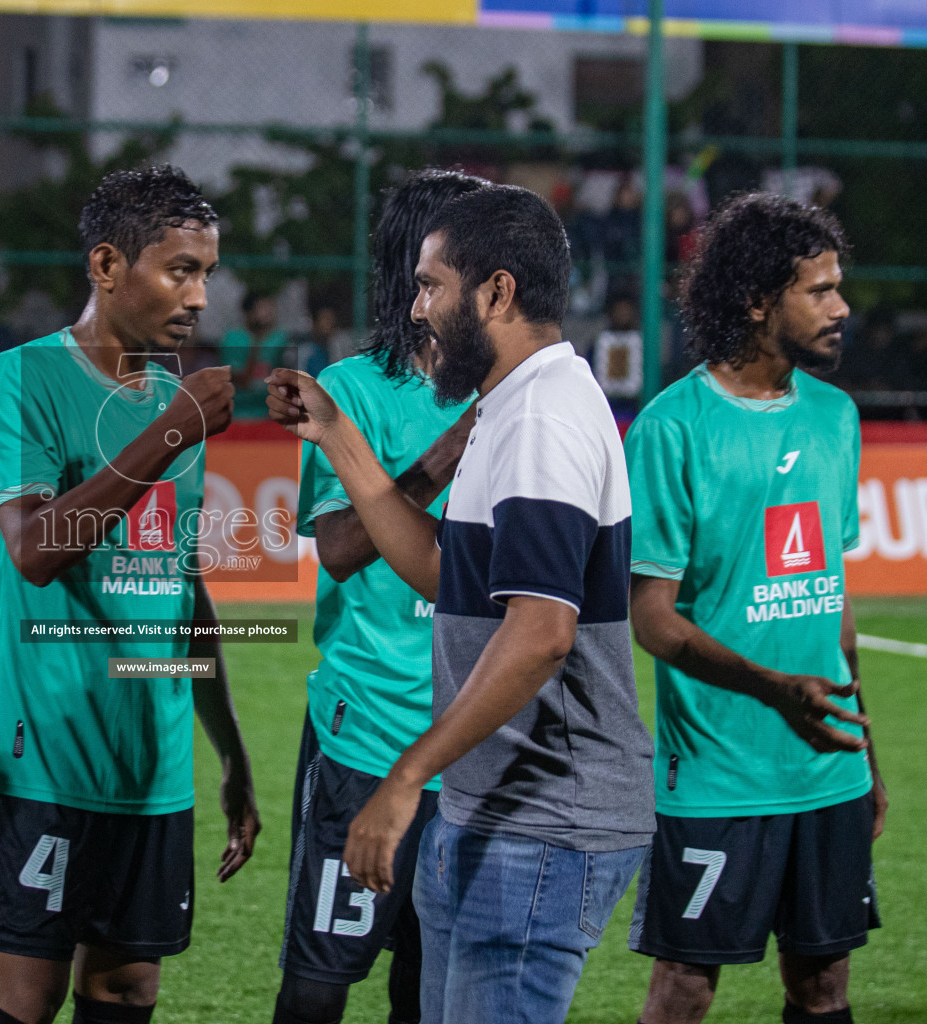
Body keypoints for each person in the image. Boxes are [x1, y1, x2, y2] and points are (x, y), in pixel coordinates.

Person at [266, 184, 655, 1024]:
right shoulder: (508, 405)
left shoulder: (541, 419)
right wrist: (337, 432)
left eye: (432, 286)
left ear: (497, 293)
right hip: (501, 810)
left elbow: (542, 632)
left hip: (544, 822)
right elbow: (450, 575)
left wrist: (407, 775)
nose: (417, 310)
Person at [0, 164, 260, 1024]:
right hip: (46, 755)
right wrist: (172, 433)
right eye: (179, 270)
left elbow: (182, 590)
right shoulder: (22, 382)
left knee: (126, 987)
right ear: (105, 266)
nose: (200, 296)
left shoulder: (175, 401)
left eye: (207, 272)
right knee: (28, 992)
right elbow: (34, 550)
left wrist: (229, 751)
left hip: (153, 765)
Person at [625, 193, 885, 1024]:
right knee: (687, 984)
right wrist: (772, 687)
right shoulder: (672, 429)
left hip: (827, 765)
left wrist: (864, 743)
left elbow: (832, 601)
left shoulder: (835, 416)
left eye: (838, 287)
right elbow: (651, 617)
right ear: (757, 299)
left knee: (824, 985)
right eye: (819, 290)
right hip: (717, 772)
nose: (841, 308)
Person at [273, 169, 485, 1024]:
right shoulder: (349, 391)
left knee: (431, 991)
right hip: (366, 734)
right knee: (320, 988)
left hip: (471, 740)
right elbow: (340, 549)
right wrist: (443, 456)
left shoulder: (508, 389)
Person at [220, 289, 289, 418]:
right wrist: (257, 343)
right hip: (239, 412)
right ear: (249, 312)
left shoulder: (280, 338)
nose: (269, 311)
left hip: (269, 412)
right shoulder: (233, 338)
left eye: (271, 306)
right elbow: (240, 381)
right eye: (262, 307)